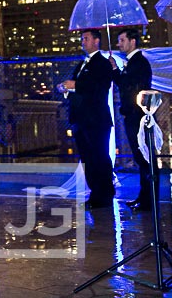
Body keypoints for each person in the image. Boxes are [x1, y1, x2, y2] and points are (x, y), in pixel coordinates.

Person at [61, 29, 115, 209]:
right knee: (87, 158)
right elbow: (78, 87)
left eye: (86, 38)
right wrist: (67, 88)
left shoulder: (102, 63)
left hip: (96, 119)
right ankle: (95, 193)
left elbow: (99, 88)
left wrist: (76, 85)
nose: (83, 42)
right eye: (82, 39)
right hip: (80, 118)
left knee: (99, 156)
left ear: (97, 41)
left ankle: (104, 194)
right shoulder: (82, 64)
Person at [109, 27, 155, 210]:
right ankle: (144, 198)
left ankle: (148, 200)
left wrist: (115, 70)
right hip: (133, 115)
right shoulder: (133, 62)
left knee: (144, 157)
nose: (119, 44)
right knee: (140, 158)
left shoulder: (139, 62)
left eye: (122, 40)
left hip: (137, 115)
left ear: (132, 41)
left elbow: (128, 85)